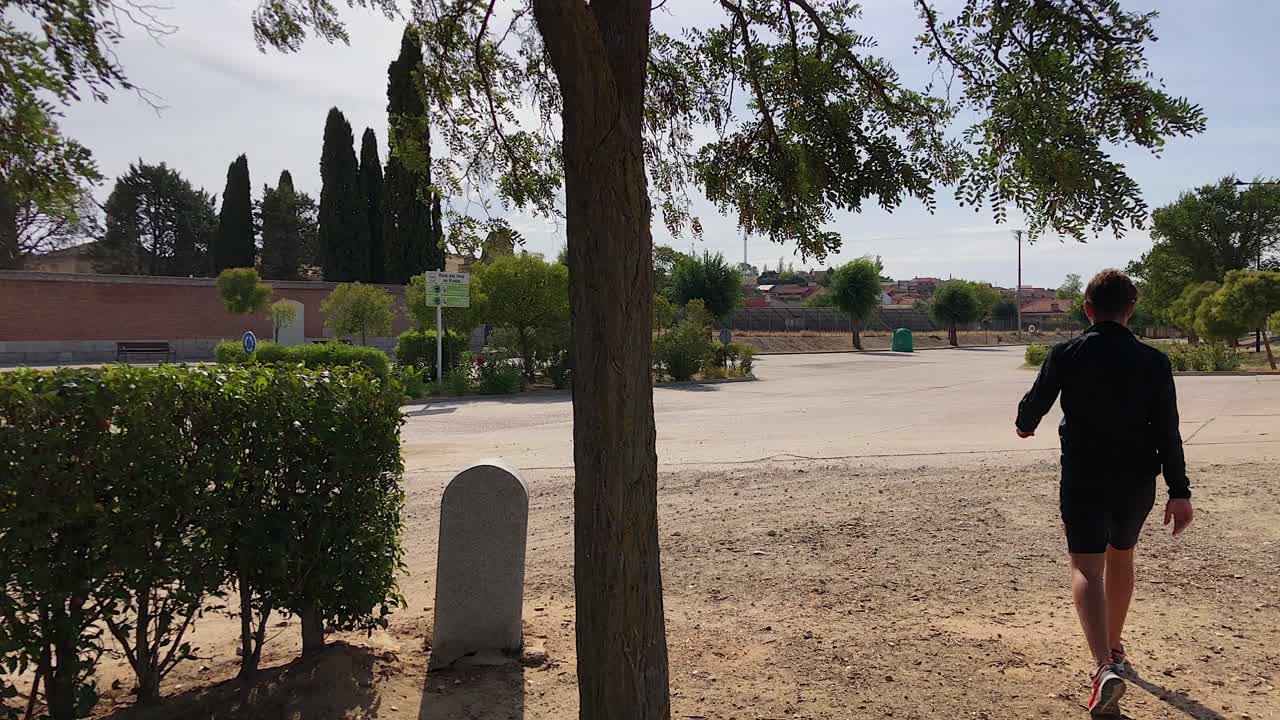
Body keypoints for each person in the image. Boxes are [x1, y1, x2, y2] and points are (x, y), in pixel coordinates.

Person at [1015, 269, 1194, 717]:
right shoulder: (1155, 361)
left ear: (1087, 308)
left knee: (1087, 568)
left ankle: (1102, 668)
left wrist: (1026, 423)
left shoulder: (1066, 354)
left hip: (1085, 476)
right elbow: (1168, 431)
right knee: (1122, 558)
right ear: (1131, 310)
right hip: (1137, 479)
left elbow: (1032, 410)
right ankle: (1114, 647)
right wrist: (1179, 490)